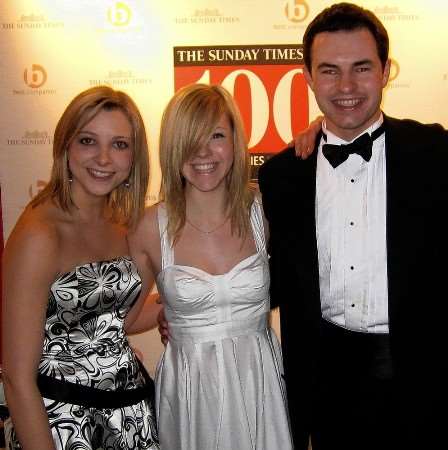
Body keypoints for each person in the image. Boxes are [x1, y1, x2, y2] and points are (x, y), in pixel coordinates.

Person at [258, 3, 448, 450]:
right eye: (329, 71)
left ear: (385, 71)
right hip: (326, 383)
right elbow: (278, 280)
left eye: (361, 68)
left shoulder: (435, 153)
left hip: (424, 381)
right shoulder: (282, 175)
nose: (346, 87)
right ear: (307, 78)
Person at [128, 83, 294, 450]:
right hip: (191, 392)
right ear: (172, 146)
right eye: (190, 138)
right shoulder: (148, 228)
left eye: (217, 135)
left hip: (260, 383)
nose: (204, 152)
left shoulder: (264, 212)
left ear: (235, 140)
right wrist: (169, 308)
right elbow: (120, 319)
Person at [1, 86, 160, 450]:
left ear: (135, 155)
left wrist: (183, 307)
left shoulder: (122, 220)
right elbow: (15, 378)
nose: (104, 158)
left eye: (119, 144)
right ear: (65, 145)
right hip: (61, 424)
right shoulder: (40, 234)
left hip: (130, 419)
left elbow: (117, 320)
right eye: (88, 141)